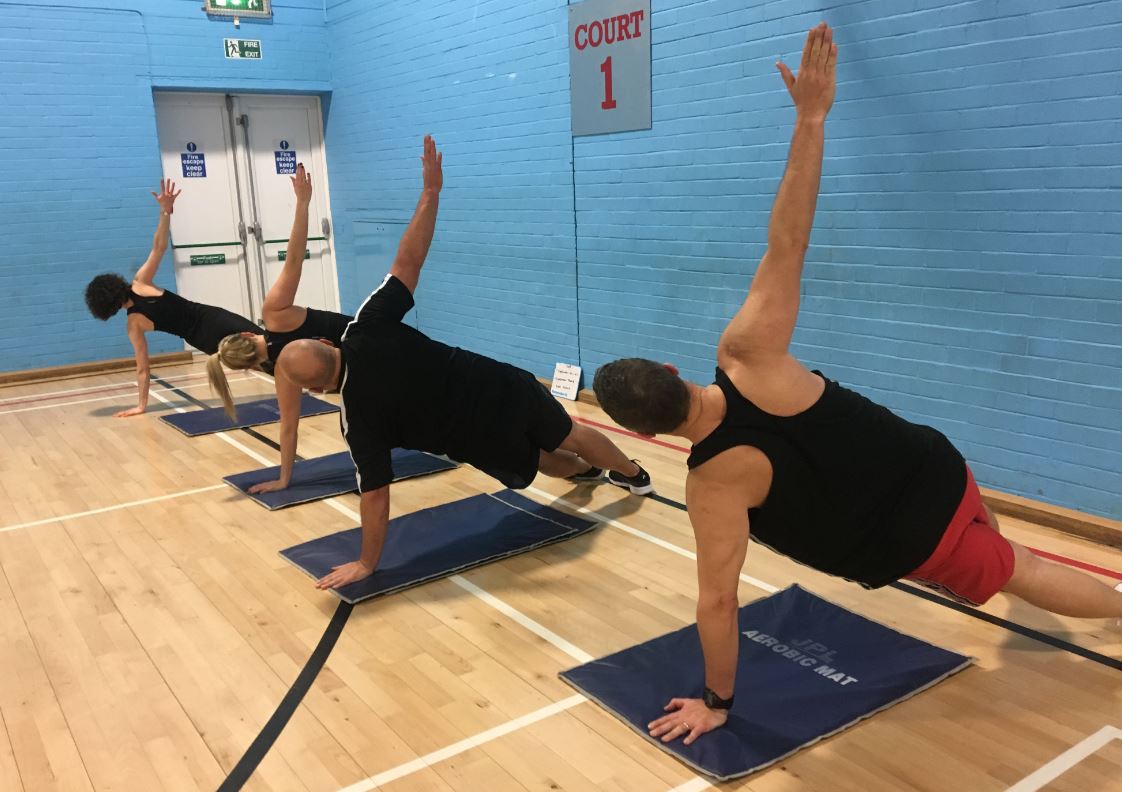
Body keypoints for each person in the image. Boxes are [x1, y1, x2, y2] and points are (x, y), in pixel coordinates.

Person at [591, 23, 1122, 746]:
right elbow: (789, 239)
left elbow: (718, 601)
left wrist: (716, 699)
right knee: (992, 543)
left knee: (1018, 570)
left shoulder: (712, 486)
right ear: (673, 369)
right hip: (935, 461)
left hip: (914, 534)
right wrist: (811, 120)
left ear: (649, 435)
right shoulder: (746, 352)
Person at [273, 135, 654, 591]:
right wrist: (431, 191)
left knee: (539, 459)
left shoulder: (356, 418)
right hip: (496, 384)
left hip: (479, 438)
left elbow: (375, 496)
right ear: (324, 341)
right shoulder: (365, 324)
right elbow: (409, 259)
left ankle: (588, 471)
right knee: (569, 431)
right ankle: (634, 475)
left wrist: (367, 563)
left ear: (315, 389)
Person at [206, 160, 353, 493]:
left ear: (250, 368)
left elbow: (289, 427)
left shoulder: (284, 371)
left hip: (361, 370)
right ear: (246, 334)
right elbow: (294, 258)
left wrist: (284, 479)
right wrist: (303, 203)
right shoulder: (274, 314)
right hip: (369, 335)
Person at [84, 179, 264, 417]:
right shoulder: (141, 284)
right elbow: (158, 247)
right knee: (260, 345)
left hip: (201, 334)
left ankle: (310, 373)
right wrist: (164, 211)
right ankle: (309, 373)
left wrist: (141, 405)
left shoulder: (133, 324)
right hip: (211, 319)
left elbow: (142, 368)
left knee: (255, 355)